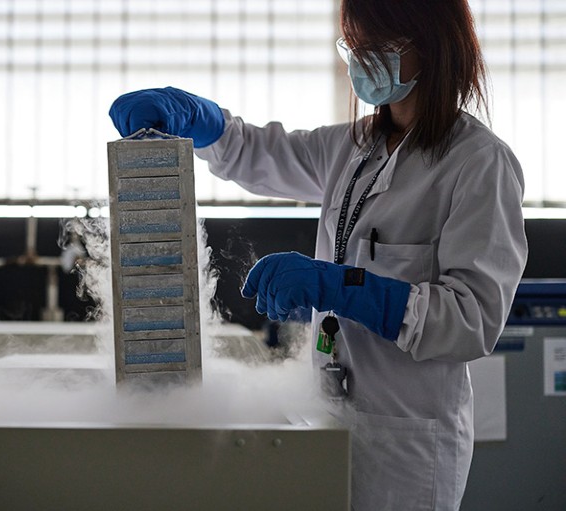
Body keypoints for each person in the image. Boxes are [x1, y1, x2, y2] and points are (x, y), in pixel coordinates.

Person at [108, 0, 527, 509]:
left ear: (435, 47)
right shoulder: (353, 147)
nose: (363, 59)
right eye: (356, 46)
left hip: (408, 444)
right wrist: (203, 120)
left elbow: (470, 321)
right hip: (328, 422)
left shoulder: (480, 163)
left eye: (381, 46)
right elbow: (260, 152)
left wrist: (338, 287)